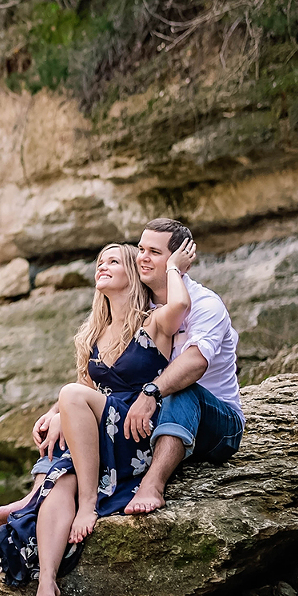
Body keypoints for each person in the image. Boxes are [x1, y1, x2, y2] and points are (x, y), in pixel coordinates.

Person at [0, 239, 196, 596]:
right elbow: (87, 387)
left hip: (133, 432)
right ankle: (48, 582)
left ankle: (87, 505)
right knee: (60, 480)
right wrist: (56, 415)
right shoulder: (93, 334)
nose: (102, 266)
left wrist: (173, 267)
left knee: (68, 396)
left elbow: (181, 304)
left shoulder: (154, 322)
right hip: (99, 433)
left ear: (131, 273)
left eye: (113, 261)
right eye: (99, 261)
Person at [121, 218, 246, 513]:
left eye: (154, 251)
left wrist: (151, 392)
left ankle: (153, 485)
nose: (142, 258)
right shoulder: (137, 305)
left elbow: (194, 363)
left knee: (180, 387)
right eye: (140, 249)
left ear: (178, 259)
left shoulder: (205, 304)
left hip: (219, 424)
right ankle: (37, 497)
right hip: (158, 414)